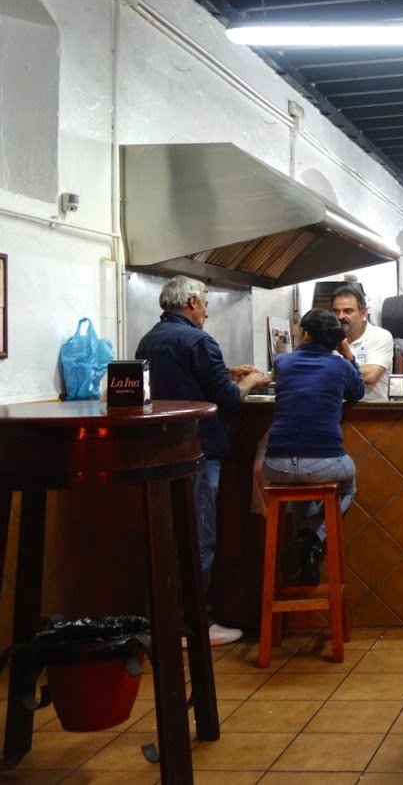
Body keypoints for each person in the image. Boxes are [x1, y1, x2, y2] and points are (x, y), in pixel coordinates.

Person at [135, 275, 268, 646]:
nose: (208, 308)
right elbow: (226, 399)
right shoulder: (199, 340)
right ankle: (193, 625)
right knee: (198, 537)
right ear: (192, 301)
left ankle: (161, 622)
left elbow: (180, 385)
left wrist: (226, 373)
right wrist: (250, 381)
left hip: (158, 453)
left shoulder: (151, 340)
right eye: (206, 301)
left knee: (165, 537)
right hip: (198, 450)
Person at [261, 309, 365, 586]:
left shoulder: (282, 362)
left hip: (276, 465)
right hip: (324, 463)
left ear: (305, 334)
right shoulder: (340, 366)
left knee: (300, 490)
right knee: (348, 486)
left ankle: (305, 547)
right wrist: (347, 354)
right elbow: (358, 392)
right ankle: (310, 538)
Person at [331, 285, 393, 401]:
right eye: (336, 311)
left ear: (363, 312)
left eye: (348, 311)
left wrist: (328, 370)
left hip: (371, 413)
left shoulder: (379, 336)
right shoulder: (328, 338)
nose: (341, 316)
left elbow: (371, 375)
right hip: (338, 411)